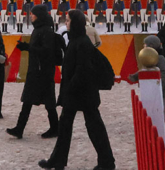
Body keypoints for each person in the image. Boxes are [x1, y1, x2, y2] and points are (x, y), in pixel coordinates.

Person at [39, 10, 115, 170]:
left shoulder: (82, 42)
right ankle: (58, 161)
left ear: (76, 23)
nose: (66, 23)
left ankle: (107, 162)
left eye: (68, 20)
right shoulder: (76, 40)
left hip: (82, 94)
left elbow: (83, 70)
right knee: (66, 126)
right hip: (78, 93)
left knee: (94, 127)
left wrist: (70, 87)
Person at [7, 5, 59, 139]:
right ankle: (21, 128)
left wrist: (28, 48)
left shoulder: (46, 30)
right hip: (37, 69)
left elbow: (47, 51)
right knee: (34, 100)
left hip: (42, 70)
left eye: (33, 14)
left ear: (39, 15)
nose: (31, 16)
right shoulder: (39, 29)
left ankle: (53, 128)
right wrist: (27, 48)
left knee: (42, 100)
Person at [128, 35, 165, 107]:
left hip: (160, 94)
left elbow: (164, 74)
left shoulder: (160, 58)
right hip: (150, 91)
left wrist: (158, 86)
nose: (144, 46)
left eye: (145, 45)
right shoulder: (149, 58)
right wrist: (135, 76)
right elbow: (145, 70)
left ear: (151, 46)